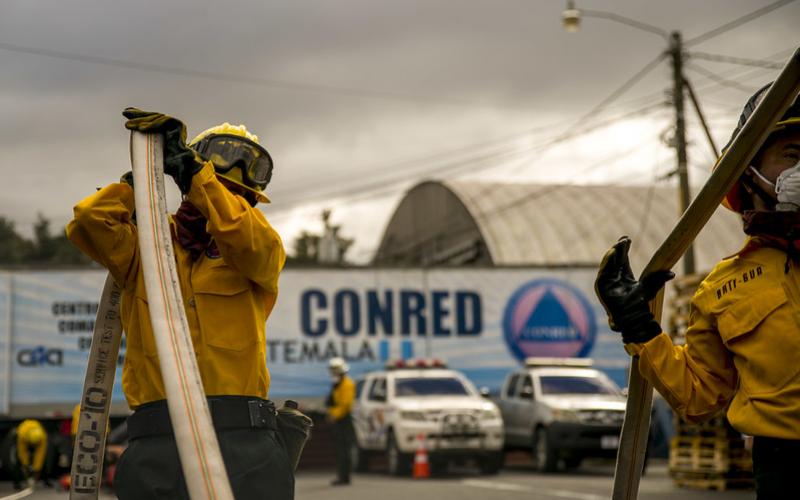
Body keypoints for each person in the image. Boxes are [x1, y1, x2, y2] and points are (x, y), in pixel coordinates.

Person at [66, 108, 292, 499]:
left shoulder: (260, 251)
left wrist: (196, 175)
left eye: (240, 197)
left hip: (244, 446)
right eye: (224, 191)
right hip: (159, 446)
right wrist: (137, 184)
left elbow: (239, 230)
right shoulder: (147, 248)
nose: (228, 203)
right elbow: (89, 221)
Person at [595, 84, 800, 500]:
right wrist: (639, 329)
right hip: (786, 473)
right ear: (747, 174)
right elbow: (700, 396)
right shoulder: (724, 289)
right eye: (793, 156)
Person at [326, 357, 356, 486]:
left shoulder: (347, 384)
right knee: (340, 449)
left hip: (344, 419)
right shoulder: (338, 384)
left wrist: (334, 414)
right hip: (339, 419)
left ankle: (345, 476)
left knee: (344, 449)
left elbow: (346, 404)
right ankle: (342, 475)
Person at [12, 419, 50, 489]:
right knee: (18, 460)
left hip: (37, 440)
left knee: (44, 460)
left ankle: (46, 481)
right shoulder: (21, 434)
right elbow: (22, 454)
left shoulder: (42, 437)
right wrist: (26, 470)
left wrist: (36, 473)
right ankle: (17, 483)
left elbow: (40, 456)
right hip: (24, 439)